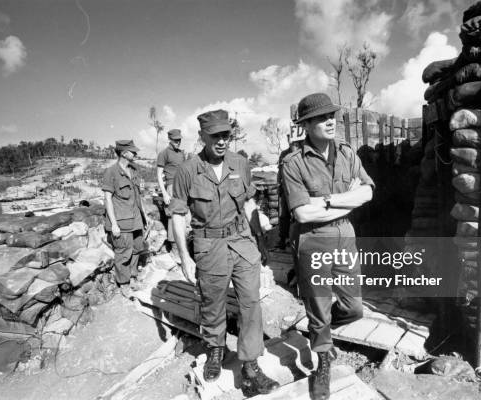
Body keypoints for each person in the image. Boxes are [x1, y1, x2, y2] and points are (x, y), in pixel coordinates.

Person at [169, 110, 279, 397]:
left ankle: (251, 367)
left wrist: (261, 242)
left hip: (242, 241)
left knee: (250, 303)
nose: (221, 141)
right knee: (213, 303)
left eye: (225, 135)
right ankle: (215, 349)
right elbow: (178, 216)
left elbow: (249, 205)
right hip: (208, 247)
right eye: (215, 135)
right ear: (202, 136)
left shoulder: (240, 164)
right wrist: (185, 257)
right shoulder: (187, 170)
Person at [281, 93, 374, 400]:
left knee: (354, 307)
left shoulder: (348, 153)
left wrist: (330, 201)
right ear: (305, 125)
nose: (330, 121)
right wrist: (349, 200)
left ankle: (321, 330)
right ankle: (323, 358)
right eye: (321, 118)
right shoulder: (293, 162)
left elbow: (368, 192)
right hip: (312, 238)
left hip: (344, 234)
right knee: (319, 306)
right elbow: (303, 213)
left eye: (331, 115)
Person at [102, 140, 148, 297]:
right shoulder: (111, 172)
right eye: (132, 151)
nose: (135, 153)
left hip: (136, 219)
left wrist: (144, 215)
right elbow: (107, 199)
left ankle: (133, 277)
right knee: (123, 253)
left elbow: (137, 196)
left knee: (137, 249)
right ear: (123, 153)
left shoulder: (133, 170)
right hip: (121, 222)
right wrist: (114, 224)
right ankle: (124, 284)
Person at [156, 128, 187, 262]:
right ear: (170, 139)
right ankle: (175, 250)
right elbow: (158, 175)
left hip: (183, 187)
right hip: (171, 187)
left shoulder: (181, 153)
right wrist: (164, 194)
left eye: (179, 140)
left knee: (184, 216)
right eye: (175, 140)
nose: (178, 142)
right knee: (173, 217)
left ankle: (183, 248)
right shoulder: (164, 153)